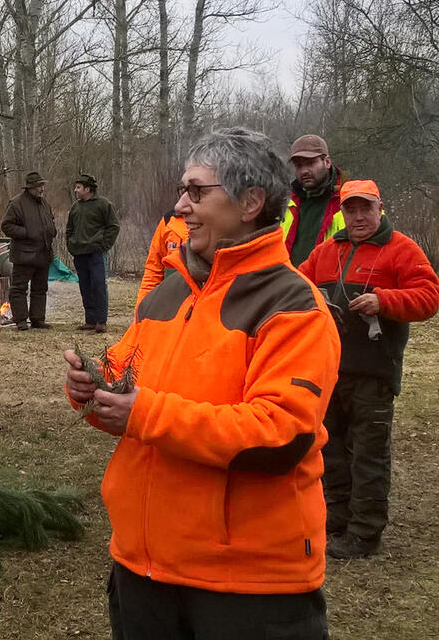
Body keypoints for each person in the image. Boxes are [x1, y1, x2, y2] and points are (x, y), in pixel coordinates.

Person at [64, 127, 341, 639]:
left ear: (251, 202)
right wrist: (91, 386)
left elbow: (279, 436)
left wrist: (142, 412)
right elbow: (126, 385)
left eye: (196, 192)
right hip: (142, 567)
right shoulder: (169, 292)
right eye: (182, 190)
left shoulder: (293, 306)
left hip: (246, 589)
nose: (180, 205)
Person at [298, 179, 439, 559]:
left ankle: (364, 534)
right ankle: (336, 520)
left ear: (380, 208)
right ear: (342, 212)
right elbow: (298, 286)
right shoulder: (327, 251)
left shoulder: (402, 250)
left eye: (366, 208)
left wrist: (384, 301)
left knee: (369, 454)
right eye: (351, 209)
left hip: (374, 372)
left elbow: (430, 297)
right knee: (332, 451)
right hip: (330, 369)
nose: (359, 216)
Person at [0, 170, 56, 331]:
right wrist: (27, 233)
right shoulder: (16, 203)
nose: (41, 189)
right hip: (24, 255)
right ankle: (21, 320)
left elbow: (50, 221)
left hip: (43, 254)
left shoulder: (44, 203)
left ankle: (38, 319)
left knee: (40, 289)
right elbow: (6, 226)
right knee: (19, 288)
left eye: (42, 186)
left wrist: (52, 231)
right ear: (30, 187)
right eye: (39, 186)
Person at [283, 134, 347, 266]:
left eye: (311, 163)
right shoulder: (283, 201)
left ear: (327, 162)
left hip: (331, 283)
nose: (304, 171)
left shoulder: (351, 197)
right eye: (299, 166)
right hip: (290, 282)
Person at [66, 173, 118, 333]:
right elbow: (69, 229)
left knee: (98, 285)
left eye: (78, 187)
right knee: (85, 286)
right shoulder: (75, 207)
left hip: (96, 253)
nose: (75, 190)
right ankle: (90, 320)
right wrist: (71, 245)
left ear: (88, 189)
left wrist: (103, 246)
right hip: (79, 253)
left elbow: (113, 226)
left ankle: (101, 321)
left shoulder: (104, 205)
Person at [136, 211, 188, 304]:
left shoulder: (218, 222)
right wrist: (142, 308)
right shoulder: (169, 221)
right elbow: (153, 270)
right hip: (172, 305)